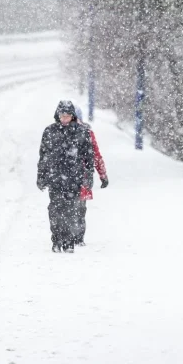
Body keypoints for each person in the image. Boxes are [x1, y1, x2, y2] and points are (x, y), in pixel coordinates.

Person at [37, 100, 94, 253]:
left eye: (68, 116)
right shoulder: (49, 132)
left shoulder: (82, 133)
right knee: (55, 210)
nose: (65, 119)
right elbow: (43, 156)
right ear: (58, 116)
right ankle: (56, 239)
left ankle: (69, 241)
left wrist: (88, 177)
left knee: (70, 210)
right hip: (55, 178)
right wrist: (41, 176)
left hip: (74, 179)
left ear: (73, 116)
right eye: (62, 115)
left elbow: (89, 157)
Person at [74, 107, 108, 246]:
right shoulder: (87, 132)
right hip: (83, 176)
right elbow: (96, 156)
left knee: (72, 207)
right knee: (80, 208)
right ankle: (78, 237)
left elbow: (95, 155)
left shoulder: (85, 133)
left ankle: (73, 235)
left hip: (80, 176)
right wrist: (103, 174)